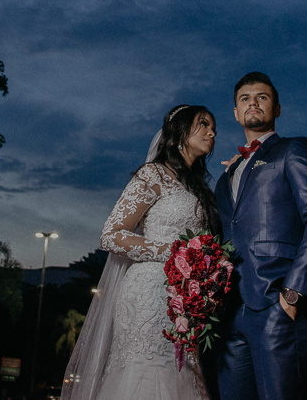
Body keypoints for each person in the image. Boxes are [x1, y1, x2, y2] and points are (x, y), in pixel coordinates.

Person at [62, 104, 219, 400]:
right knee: (150, 370)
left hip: (183, 298)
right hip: (148, 293)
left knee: (182, 372)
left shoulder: (197, 188)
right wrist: (173, 252)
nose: (212, 133)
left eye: (213, 128)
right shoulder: (152, 175)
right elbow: (111, 235)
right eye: (203, 124)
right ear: (180, 131)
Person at [215, 71, 307, 400]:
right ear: (236, 113)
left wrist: (294, 293)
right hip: (230, 313)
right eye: (245, 99)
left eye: (262, 97)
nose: (253, 102)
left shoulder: (294, 149)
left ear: (278, 109)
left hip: (276, 303)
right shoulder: (224, 177)